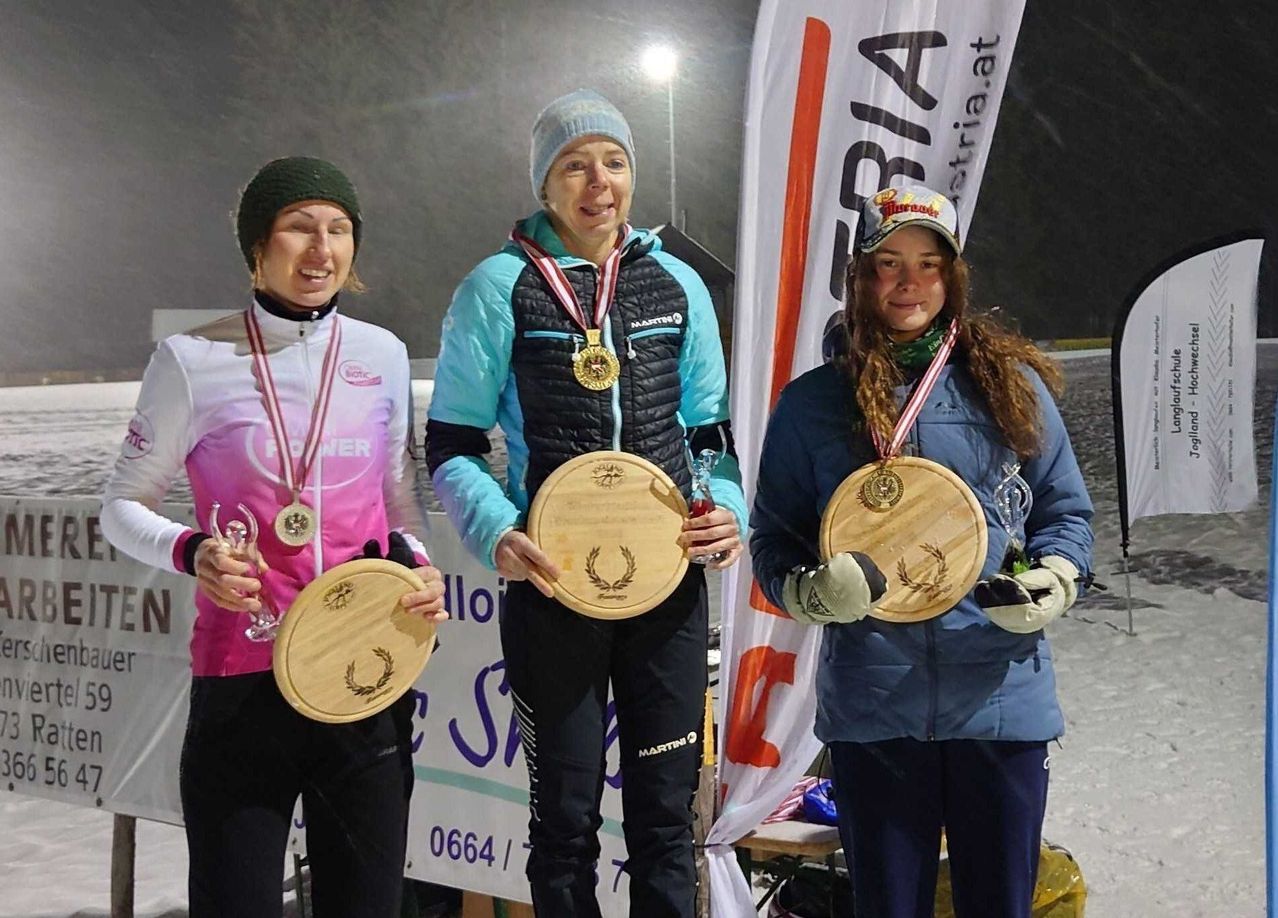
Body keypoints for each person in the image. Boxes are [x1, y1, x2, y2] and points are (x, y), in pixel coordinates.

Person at [425, 89, 746, 917]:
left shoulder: (676, 285)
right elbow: (452, 448)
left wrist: (726, 511)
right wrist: (496, 528)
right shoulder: (496, 288)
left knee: (666, 823)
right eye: (574, 164)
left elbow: (710, 436)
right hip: (553, 589)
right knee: (564, 823)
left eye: (614, 161)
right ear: (544, 183)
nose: (597, 182)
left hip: (666, 594)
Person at [101, 156, 447, 918]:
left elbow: (400, 506)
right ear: (259, 244)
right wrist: (193, 553)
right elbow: (121, 505)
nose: (321, 248)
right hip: (243, 680)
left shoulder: (381, 355)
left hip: (361, 670)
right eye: (299, 228)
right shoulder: (191, 360)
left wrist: (419, 565)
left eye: (339, 229)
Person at [750, 184, 1094, 918]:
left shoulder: (1013, 389)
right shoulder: (813, 404)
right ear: (860, 276)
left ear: (954, 276)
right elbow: (772, 540)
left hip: (999, 701)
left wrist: (1055, 580)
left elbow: (1067, 514)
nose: (909, 283)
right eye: (889, 263)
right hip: (877, 711)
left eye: (929, 264)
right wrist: (809, 592)